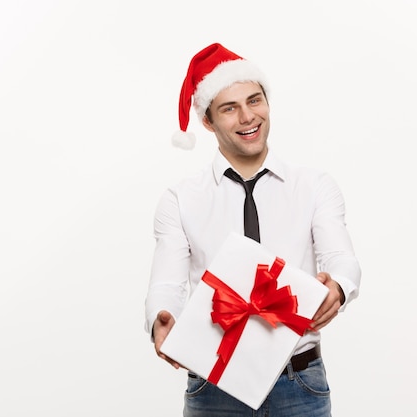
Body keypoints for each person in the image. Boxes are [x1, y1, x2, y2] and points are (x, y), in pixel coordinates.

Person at [144, 43, 361, 417]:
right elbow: (167, 283)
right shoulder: (180, 199)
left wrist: (339, 286)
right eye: (229, 108)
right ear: (208, 121)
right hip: (213, 384)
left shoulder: (314, 185)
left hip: (299, 382)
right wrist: (160, 318)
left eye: (254, 100)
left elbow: (341, 258)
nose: (248, 117)